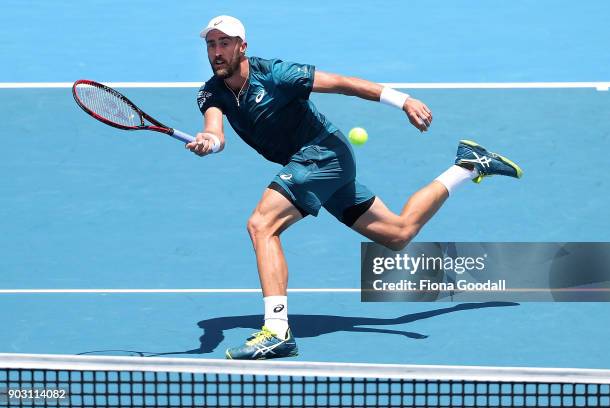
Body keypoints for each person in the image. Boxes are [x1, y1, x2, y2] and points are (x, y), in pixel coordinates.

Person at [187, 15, 523, 360]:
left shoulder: (276, 74)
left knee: (262, 224)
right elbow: (215, 133)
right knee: (398, 234)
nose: (216, 51)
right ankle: (467, 165)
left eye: (224, 43)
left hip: (323, 153)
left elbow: (342, 83)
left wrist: (402, 100)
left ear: (242, 47)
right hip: (314, 168)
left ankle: (276, 331)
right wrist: (207, 143)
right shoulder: (211, 92)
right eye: (211, 44)